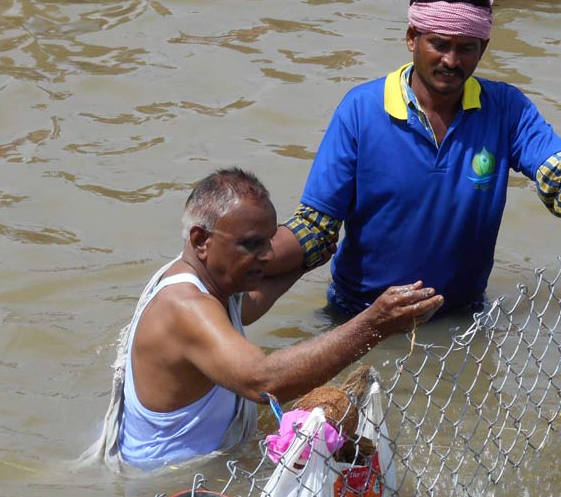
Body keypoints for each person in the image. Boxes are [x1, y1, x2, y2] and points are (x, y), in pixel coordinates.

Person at [268, 0, 561, 318]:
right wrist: (251, 261)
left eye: (466, 48)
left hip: (461, 318)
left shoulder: (505, 109)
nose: (451, 61)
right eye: (439, 44)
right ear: (412, 38)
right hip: (360, 317)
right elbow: (317, 226)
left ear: (483, 48)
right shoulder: (360, 111)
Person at [79, 168, 443, 471]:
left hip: (202, 465)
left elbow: (247, 306)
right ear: (200, 240)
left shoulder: (208, 285)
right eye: (253, 245)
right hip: (170, 485)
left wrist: (303, 263)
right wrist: (374, 324)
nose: (268, 255)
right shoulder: (184, 306)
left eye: (270, 241)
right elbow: (262, 380)